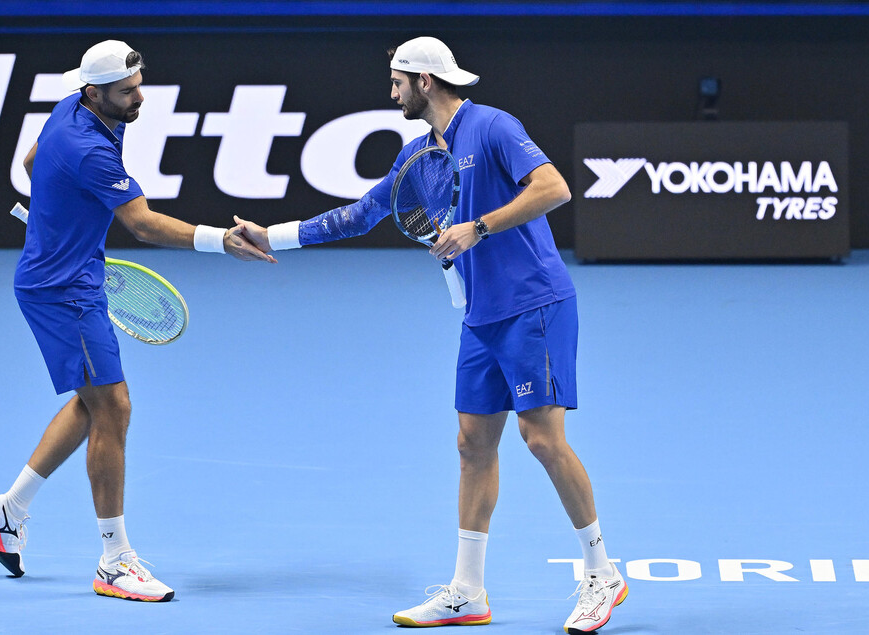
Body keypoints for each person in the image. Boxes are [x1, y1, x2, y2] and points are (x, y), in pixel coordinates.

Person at [235, 36, 626, 632]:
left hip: (534, 304)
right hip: (481, 316)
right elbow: (360, 214)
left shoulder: (493, 126)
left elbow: (553, 189)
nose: (391, 92)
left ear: (424, 80)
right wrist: (275, 235)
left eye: (397, 81)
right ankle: (468, 589)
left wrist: (479, 227)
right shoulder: (418, 157)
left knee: (542, 440)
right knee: (473, 445)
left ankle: (602, 572)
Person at [0, 40, 275, 602]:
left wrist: (57, 223)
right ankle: (114, 562)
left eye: (139, 84)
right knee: (114, 405)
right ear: (95, 92)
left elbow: (32, 163)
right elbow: (142, 224)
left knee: (94, 402)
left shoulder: (70, 107)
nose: (139, 98)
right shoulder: (91, 149)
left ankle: (8, 509)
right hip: (64, 292)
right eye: (126, 92)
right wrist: (218, 241)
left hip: (65, 275)